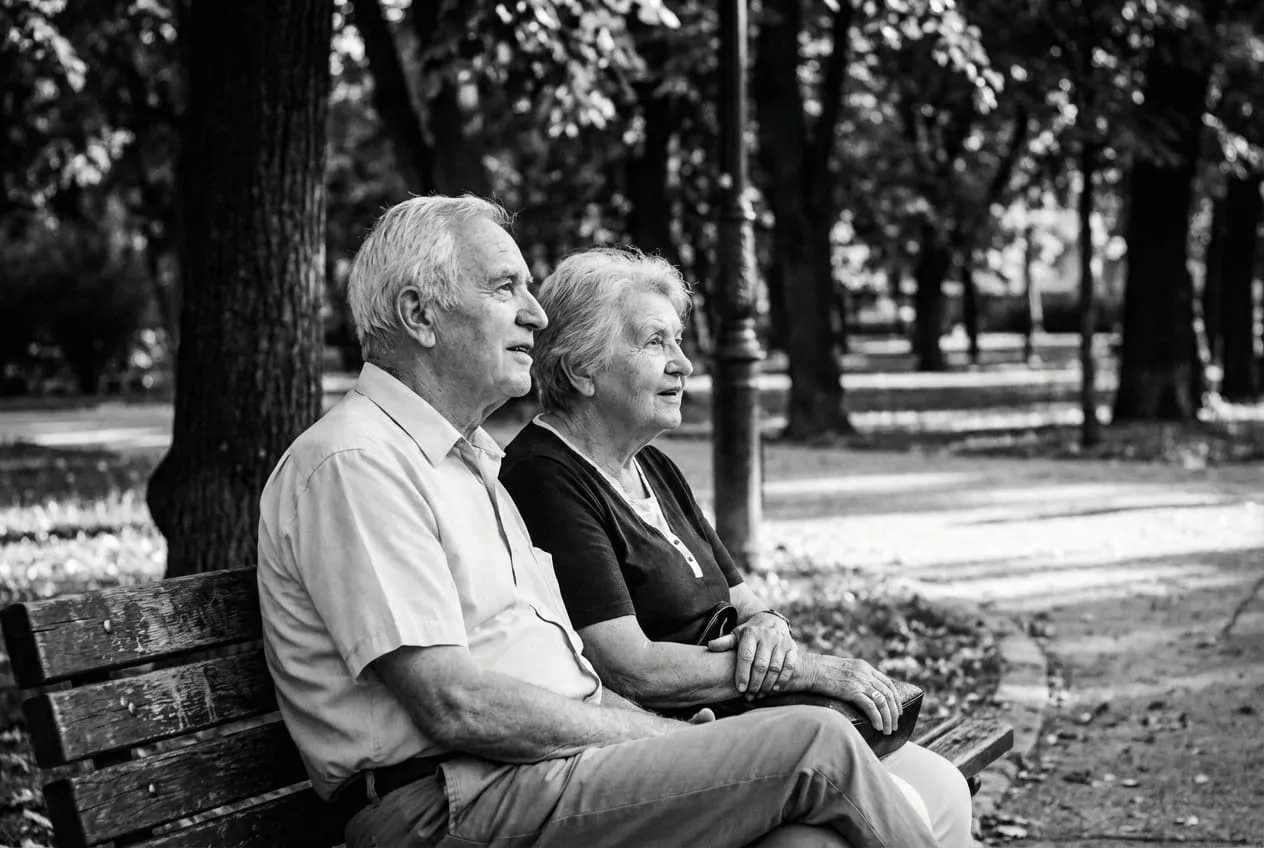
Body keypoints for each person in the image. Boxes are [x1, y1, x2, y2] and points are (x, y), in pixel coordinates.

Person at [257, 196, 941, 848]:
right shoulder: (358, 463)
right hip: (448, 802)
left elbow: (562, 677)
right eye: (505, 289)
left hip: (526, 773)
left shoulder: (467, 464)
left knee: (805, 840)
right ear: (420, 315)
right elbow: (453, 703)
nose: (535, 315)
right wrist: (666, 742)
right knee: (812, 744)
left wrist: (656, 732)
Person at [500, 246, 974, 848]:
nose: (683, 365)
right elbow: (631, 668)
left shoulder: (653, 466)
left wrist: (769, 628)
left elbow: (746, 599)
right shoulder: (547, 477)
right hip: (676, 749)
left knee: (941, 785)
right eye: (654, 343)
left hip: (754, 725)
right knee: (863, 819)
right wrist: (800, 670)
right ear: (580, 370)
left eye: (679, 342)